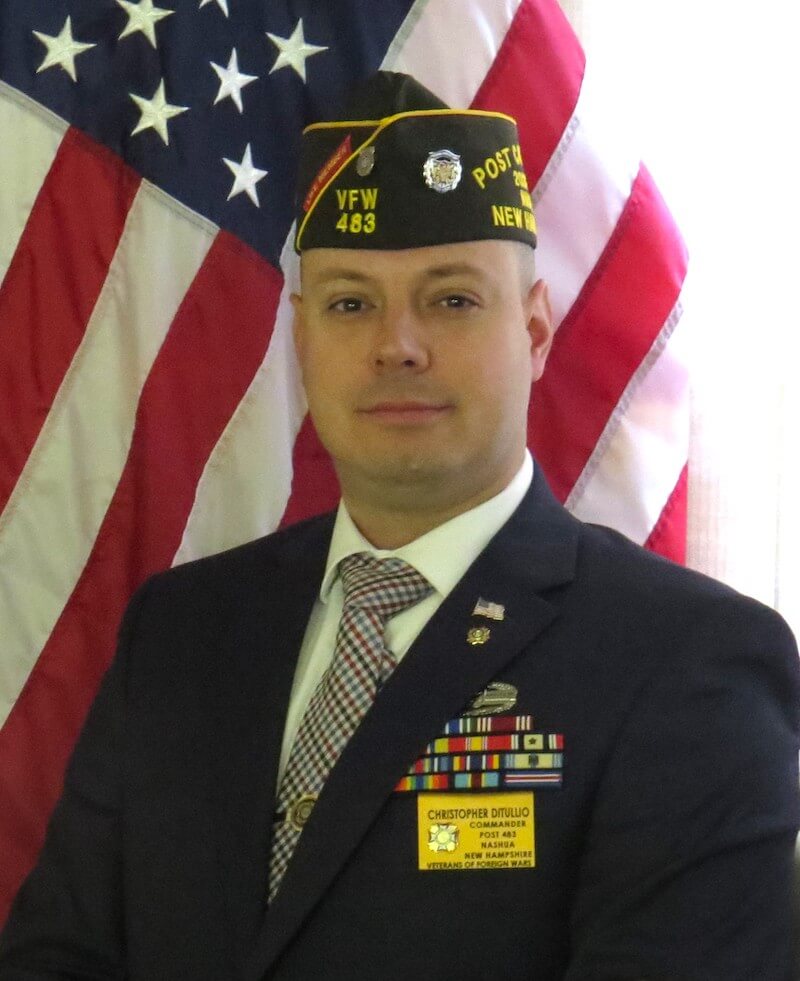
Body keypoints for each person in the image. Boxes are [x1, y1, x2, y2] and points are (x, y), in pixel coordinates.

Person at [1, 71, 798, 981]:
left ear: (535, 333)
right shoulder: (181, 632)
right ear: (302, 335)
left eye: (452, 299)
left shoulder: (687, 660)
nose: (397, 345)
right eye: (351, 302)